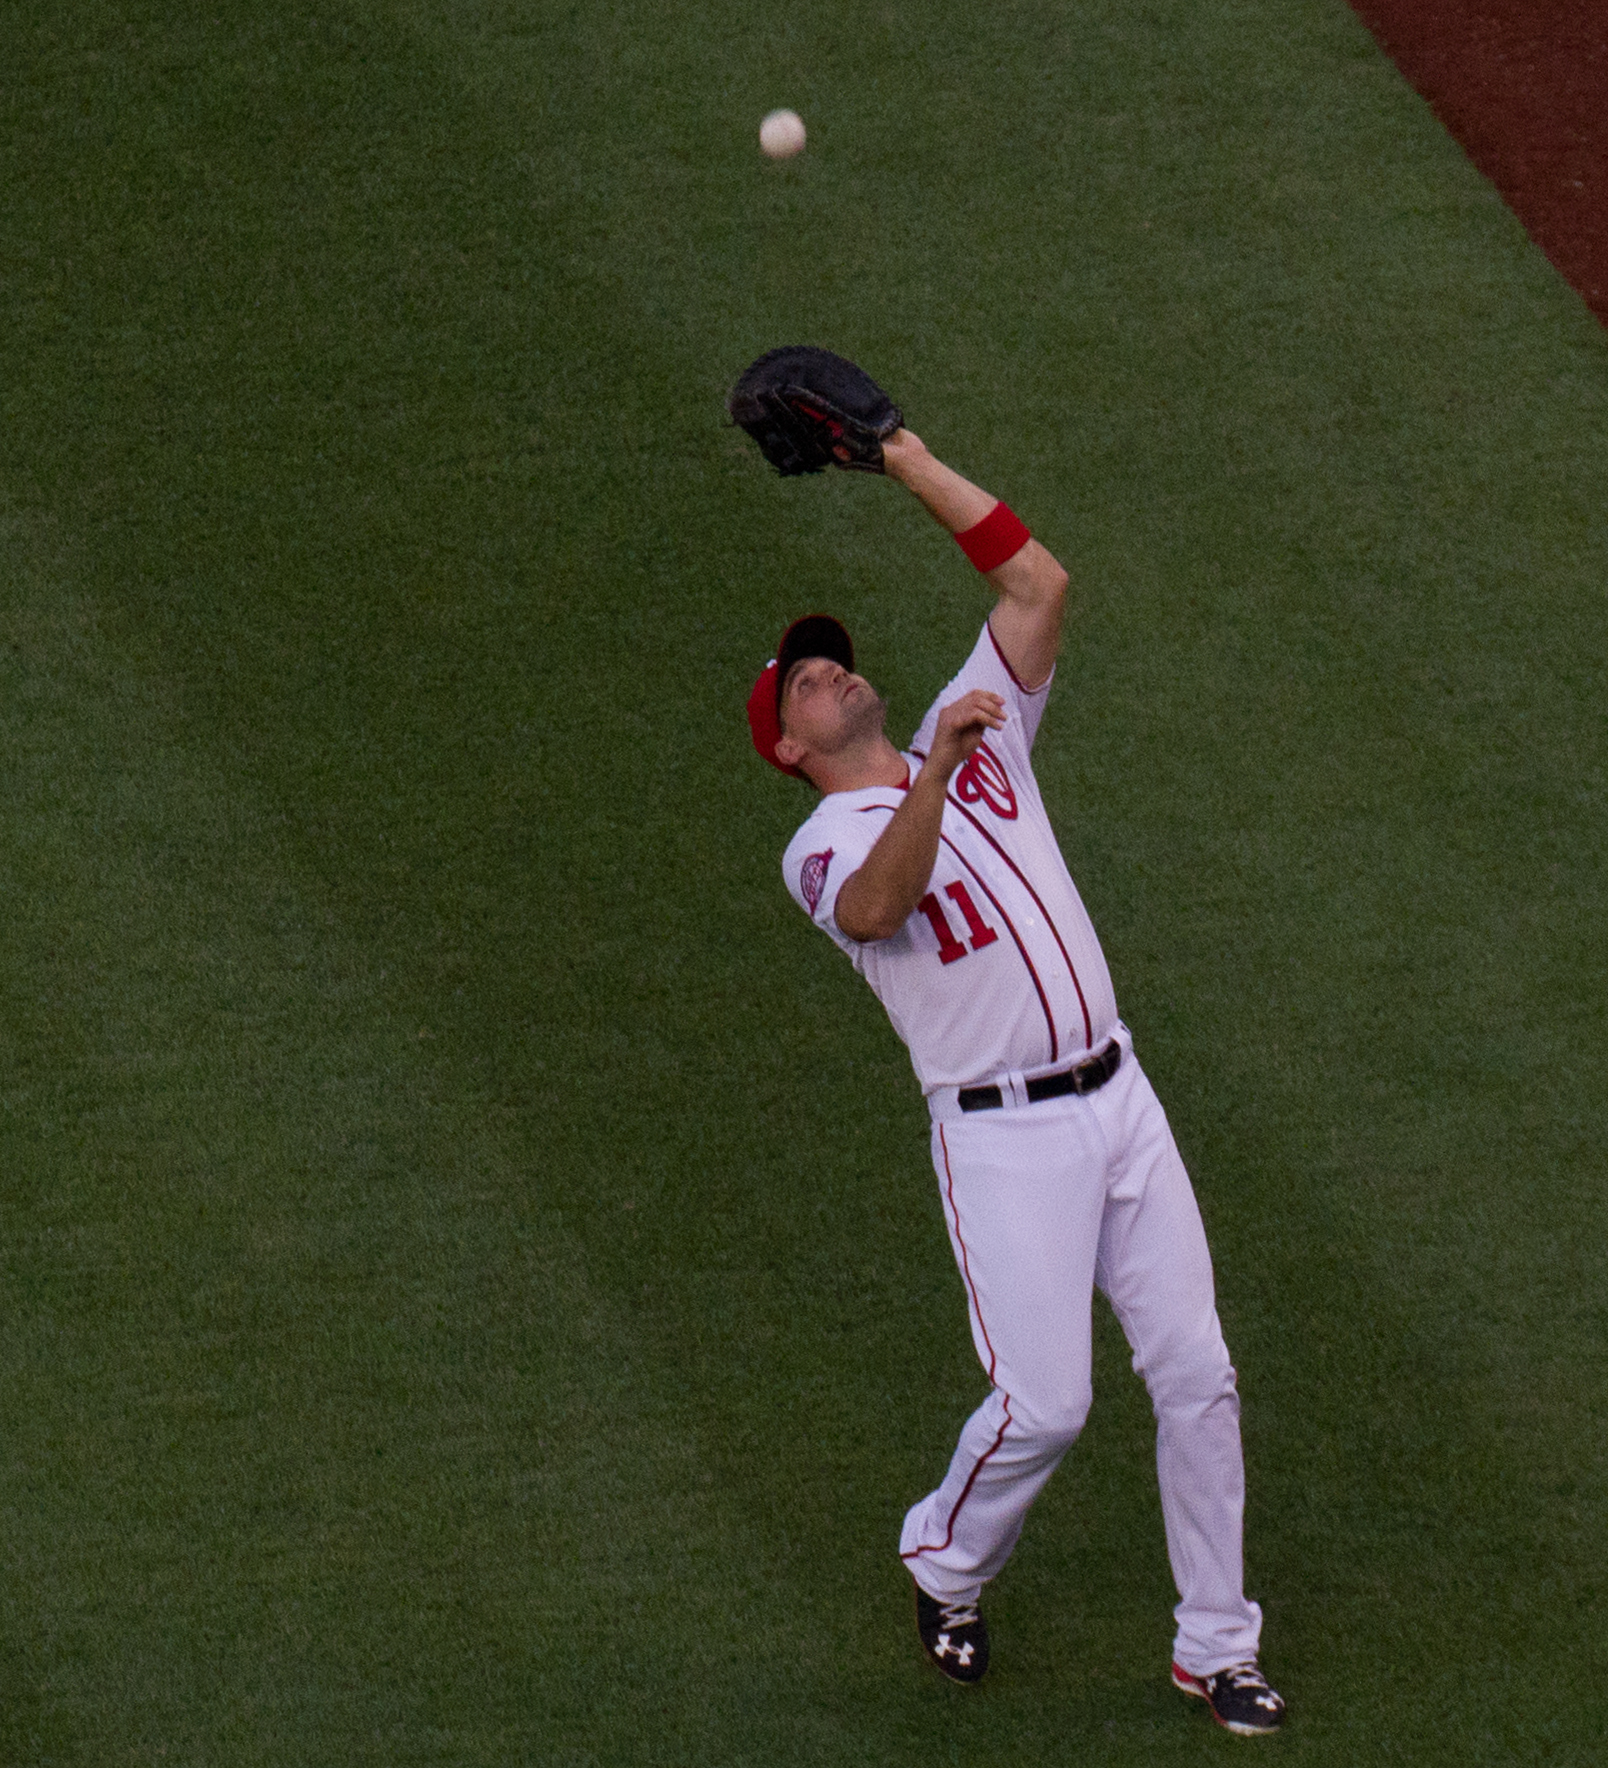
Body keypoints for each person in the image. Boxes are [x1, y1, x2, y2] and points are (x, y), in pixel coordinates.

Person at [744, 428, 1286, 1737]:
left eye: (831, 658)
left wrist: (901, 454)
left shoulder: (970, 730)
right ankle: (945, 1559)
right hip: (1005, 1144)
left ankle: (1216, 1647)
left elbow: (1039, 584)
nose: (828, 670)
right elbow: (883, 906)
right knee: (1046, 1407)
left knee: (1199, 1375)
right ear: (788, 751)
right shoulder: (820, 844)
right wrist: (936, 765)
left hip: (1123, 1105)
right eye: (802, 685)